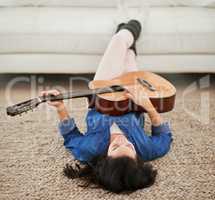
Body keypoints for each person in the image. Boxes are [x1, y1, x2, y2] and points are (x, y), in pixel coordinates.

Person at [41, 20, 173, 193]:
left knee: (119, 41)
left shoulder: (89, 150)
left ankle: (129, 28)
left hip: (102, 96)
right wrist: (148, 107)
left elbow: (71, 136)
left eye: (115, 147)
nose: (122, 141)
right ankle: (128, 34)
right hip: (131, 97)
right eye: (129, 147)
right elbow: (164, 137)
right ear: (137, 157)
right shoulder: (147, 150)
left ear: (104, 158)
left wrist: (60, 108)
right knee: (128, 58)